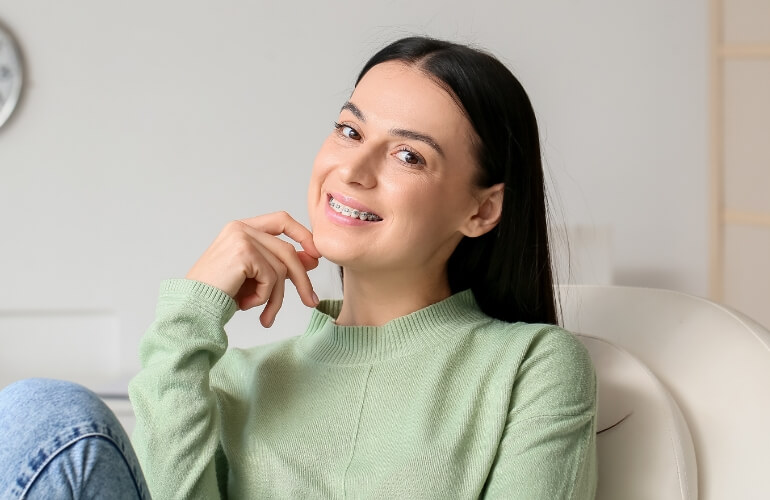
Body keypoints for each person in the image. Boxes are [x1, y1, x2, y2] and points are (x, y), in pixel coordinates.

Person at [0, 36, 596, 499]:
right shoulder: (238, 380)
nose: (354, 169)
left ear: (481, 209)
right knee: (46, 413)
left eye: (409, 155)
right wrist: (187, 319)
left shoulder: (531, 367)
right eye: (348, 129)